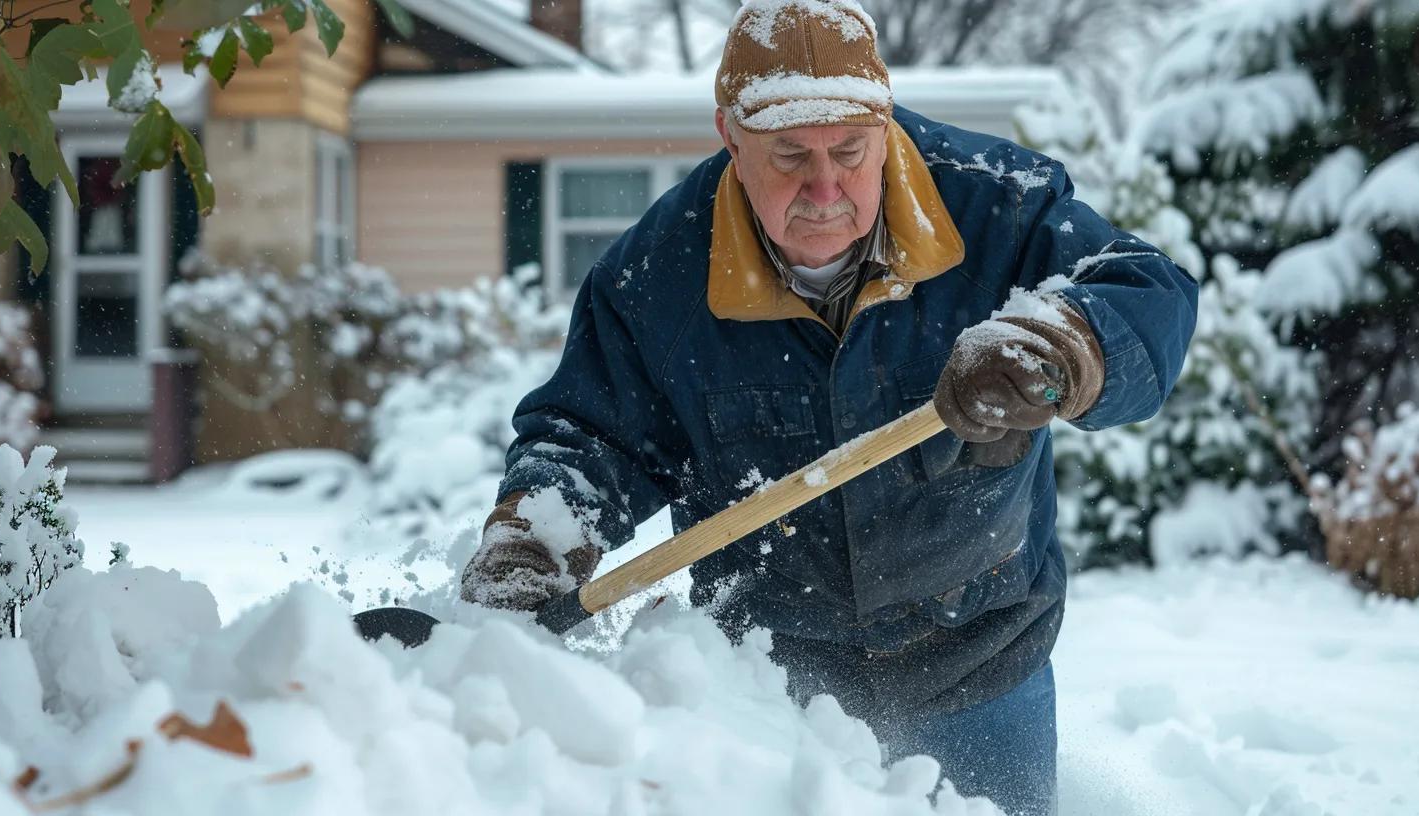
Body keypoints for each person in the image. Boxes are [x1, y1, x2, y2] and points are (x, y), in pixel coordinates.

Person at [460, 1, 1198, 812]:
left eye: (850, 151)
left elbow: (1148, 290)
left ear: (884, 127)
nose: (824, 187)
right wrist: (533, 539)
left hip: (979, 656)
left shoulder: (1000, 207)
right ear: (730, 137)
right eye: (788, 155)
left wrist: (1063, 342)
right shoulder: (660, 277)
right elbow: (589, 436)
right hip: (770, 683)